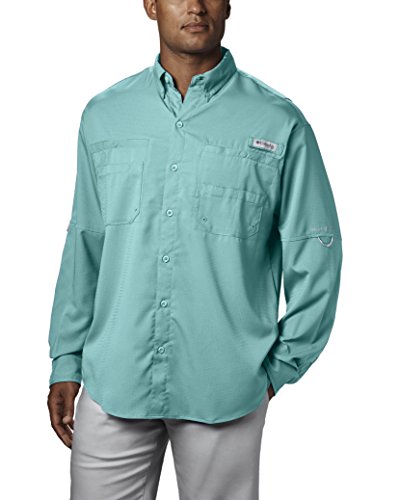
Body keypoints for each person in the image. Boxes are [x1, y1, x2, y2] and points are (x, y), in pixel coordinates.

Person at [47, 1, 343, 499]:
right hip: (113, 377)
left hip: (226, 387)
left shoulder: (278, 122)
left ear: (228, 5)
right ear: (150, 5)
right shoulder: (104, 116)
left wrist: (280, 367)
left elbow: (316, 250)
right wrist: (66, 360)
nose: (195, 6)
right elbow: (86, 243)